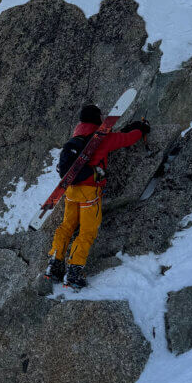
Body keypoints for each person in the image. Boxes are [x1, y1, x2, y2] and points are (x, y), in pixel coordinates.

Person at [47, 104, 150, 289]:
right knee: (87, 231)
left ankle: (55, 262)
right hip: (89, 192)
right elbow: (126, 139)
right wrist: (141, 129)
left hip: (71, 190)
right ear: (97, 119)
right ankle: (74, 271)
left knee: (67, 226)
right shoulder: (102, 138)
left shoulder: (76, 136)